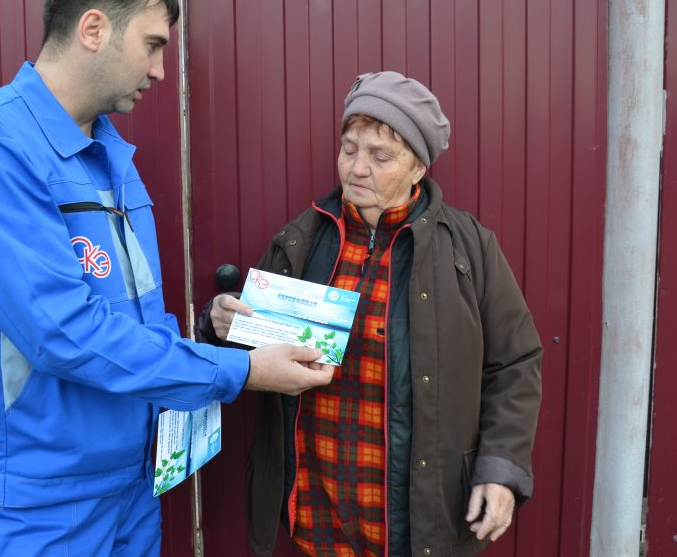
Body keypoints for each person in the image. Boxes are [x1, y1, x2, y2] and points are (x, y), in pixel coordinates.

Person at [0, 0, 333, 556]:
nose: (161, 71)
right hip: (39, 504)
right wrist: (239, 372)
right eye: (154, 44)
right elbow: (62, 332)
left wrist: (209, 332)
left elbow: (124, 316)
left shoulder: (107, 152)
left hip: (132, 486)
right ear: (93, 28)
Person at [197, 71, 543, 557]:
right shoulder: (303, 240)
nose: (357, 168)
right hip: (320, 502)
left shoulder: (469, 250)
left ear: (419, 168)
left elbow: (516, 362)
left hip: (416, 509)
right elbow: (256, 343)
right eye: (349, 149)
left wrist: (501, 469)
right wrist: (218, 325)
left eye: (381, 156)